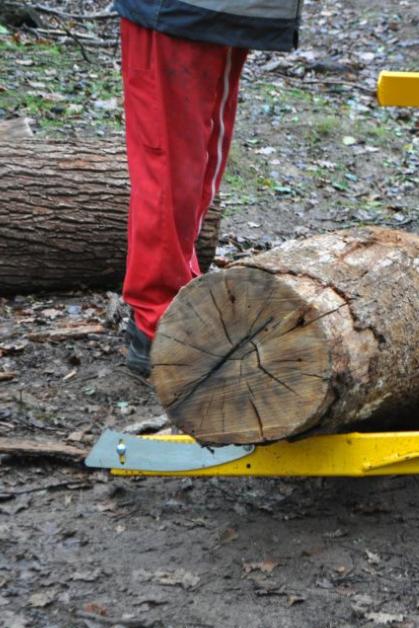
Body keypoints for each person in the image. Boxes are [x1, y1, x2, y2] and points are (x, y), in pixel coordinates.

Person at [115, 0, 302, 376]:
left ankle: (176, 297)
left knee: (200, 158)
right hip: (178, 9)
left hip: (219, 9)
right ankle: (157, 320)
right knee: (168, 165)